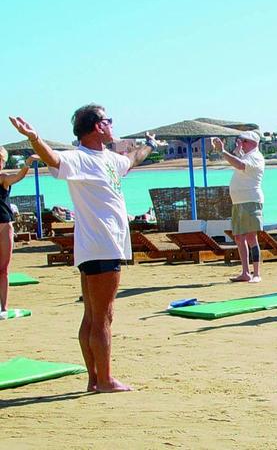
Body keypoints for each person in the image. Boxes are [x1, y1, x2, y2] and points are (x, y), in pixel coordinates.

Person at [9, 105, 165, 391]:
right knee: (103, 316)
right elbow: (53, 159)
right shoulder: (79, 157)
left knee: (93, 316)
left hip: (99, 245)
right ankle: (104, 379)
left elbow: (132, 158)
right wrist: (34, 138)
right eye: (108, 120)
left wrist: (150, 144)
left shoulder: (109, 159)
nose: (112, 124)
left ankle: (94, 379)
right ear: (97, 127)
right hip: (100, 244)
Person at [211, 131, 265, 283]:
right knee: (239, 237)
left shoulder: (256, 156)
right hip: (239, 202)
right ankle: (245, 272)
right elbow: (240, 161)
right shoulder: (247, 155)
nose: (242, 143)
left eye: (245, 141)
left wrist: (223, 151)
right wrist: (237, 152)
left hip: (250, 201)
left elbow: (240, 165)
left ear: (253, 143)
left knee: (251, 237)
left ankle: (256, 273)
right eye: (241, 141)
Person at [0, 148, 37, 319]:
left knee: (4, 269)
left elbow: (19, 176)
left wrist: (27, 164)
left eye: (0, 160)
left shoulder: (3, 178)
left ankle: (3, 307)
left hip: (4, 224)